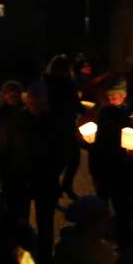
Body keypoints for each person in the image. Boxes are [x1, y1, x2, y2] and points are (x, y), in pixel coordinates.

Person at [0, 82, 69, 264]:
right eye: (33, 99)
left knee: (45, 226)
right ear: (28, 100)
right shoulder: (15, 121)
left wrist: (53, 172)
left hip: (44, 181)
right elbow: (5, 149)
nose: (36, 103)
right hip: (20, 181)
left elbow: (62, 152)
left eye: (40, 100)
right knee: (21, 226)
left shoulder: (53, 121)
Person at [86, 76, 133, 240]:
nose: (112, 98)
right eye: (110, 95)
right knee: (103, 206)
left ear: (123, 96)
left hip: (121, 168)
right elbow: (94, 144)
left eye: (115, 95)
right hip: (105, 167)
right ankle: (102, 237)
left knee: (122, 207)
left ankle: (124, 239)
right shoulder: (102, 113)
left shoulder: (131, 114)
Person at [44, 55, 83, 199]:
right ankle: (55, 188)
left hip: (66, 125)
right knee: (60, 160)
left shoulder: (65, 83)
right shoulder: (52, 84)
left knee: (72, 158)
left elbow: (75, 103)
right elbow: (72, 103)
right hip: (56, 126)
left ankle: (63, 186)